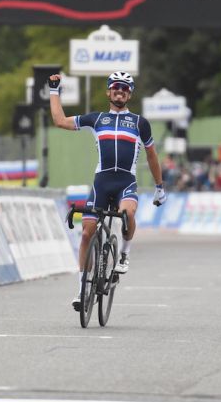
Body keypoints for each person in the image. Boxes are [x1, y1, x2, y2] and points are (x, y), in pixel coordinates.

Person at [49, 70, 165, 312]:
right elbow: (60, 121)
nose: (120, 91)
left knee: (127, 214)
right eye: (116, 87)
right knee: (85, 234)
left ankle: (123, 255)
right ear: (108, 92)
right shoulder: (96, 119)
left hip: (126, 183)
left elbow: (152, 156)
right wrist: (54, 91)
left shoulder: (139, 123)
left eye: (124, 88)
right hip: (101, 183)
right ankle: (81, 288)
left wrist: (159, 187)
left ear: (130, 94)